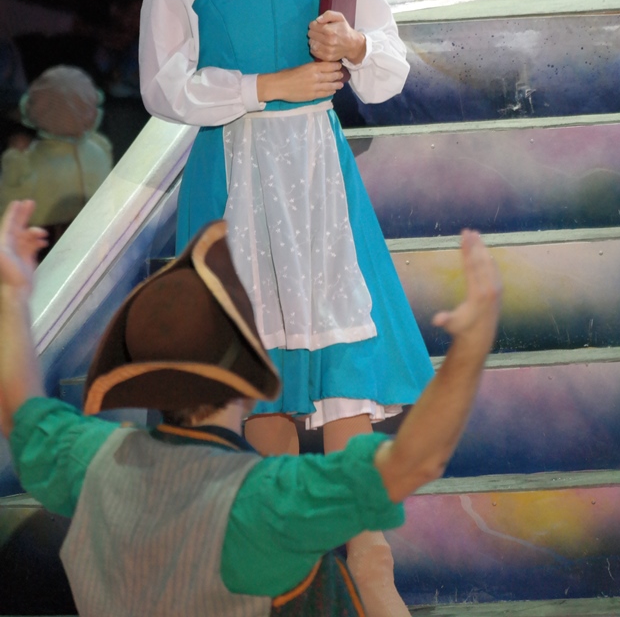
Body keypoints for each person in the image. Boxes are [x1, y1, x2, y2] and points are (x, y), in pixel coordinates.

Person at [138, 0, 435, 614]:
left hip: (317, 179)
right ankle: (291, 579)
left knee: (343, 368)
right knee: (260, 373)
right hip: (232, 179)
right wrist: (268, 86)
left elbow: (389, 64)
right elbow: (162, 86)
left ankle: (370, 567)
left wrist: (353, 46)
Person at [1, 201, 502, 615]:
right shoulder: (269, 499)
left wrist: (12, 298)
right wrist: (471, 348)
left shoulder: (88, 461)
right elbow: (416, 461)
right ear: (247, 381)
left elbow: (18, 410)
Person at [0, 66, 112, 251]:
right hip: (99, 245)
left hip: (45, 252)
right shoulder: (100, 149)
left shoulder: (23, 164)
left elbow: (7, 217)